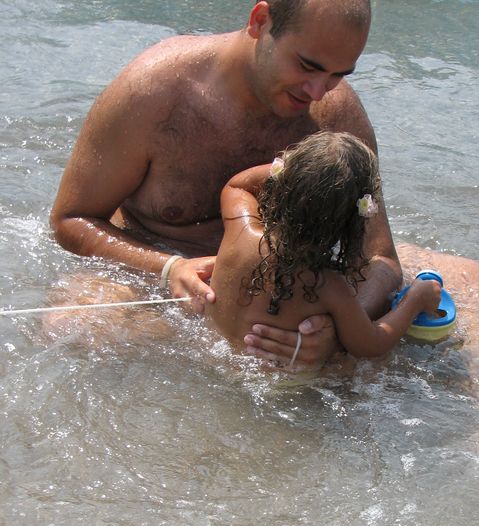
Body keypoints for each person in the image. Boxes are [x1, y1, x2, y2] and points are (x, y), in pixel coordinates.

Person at [49, 0, 420, 368]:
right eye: (307, 66)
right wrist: (168, 268)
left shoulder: (337, 116)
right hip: (170, 281)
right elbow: (71, 219)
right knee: (70, 325)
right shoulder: (155, 89)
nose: (318, 91)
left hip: (297, 290)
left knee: (458, 286)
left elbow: (381, 258)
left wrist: (332, 332)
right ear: (260, 21)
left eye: (338, 75)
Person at [206, 131, 441, 365]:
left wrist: (290, 171)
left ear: (283, 184)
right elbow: (371, 344)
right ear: (353, 222)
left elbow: (237, 186)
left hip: (213, 353)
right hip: (282, 380)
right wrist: (415, 300)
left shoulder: (242, 231)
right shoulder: (329, 285)